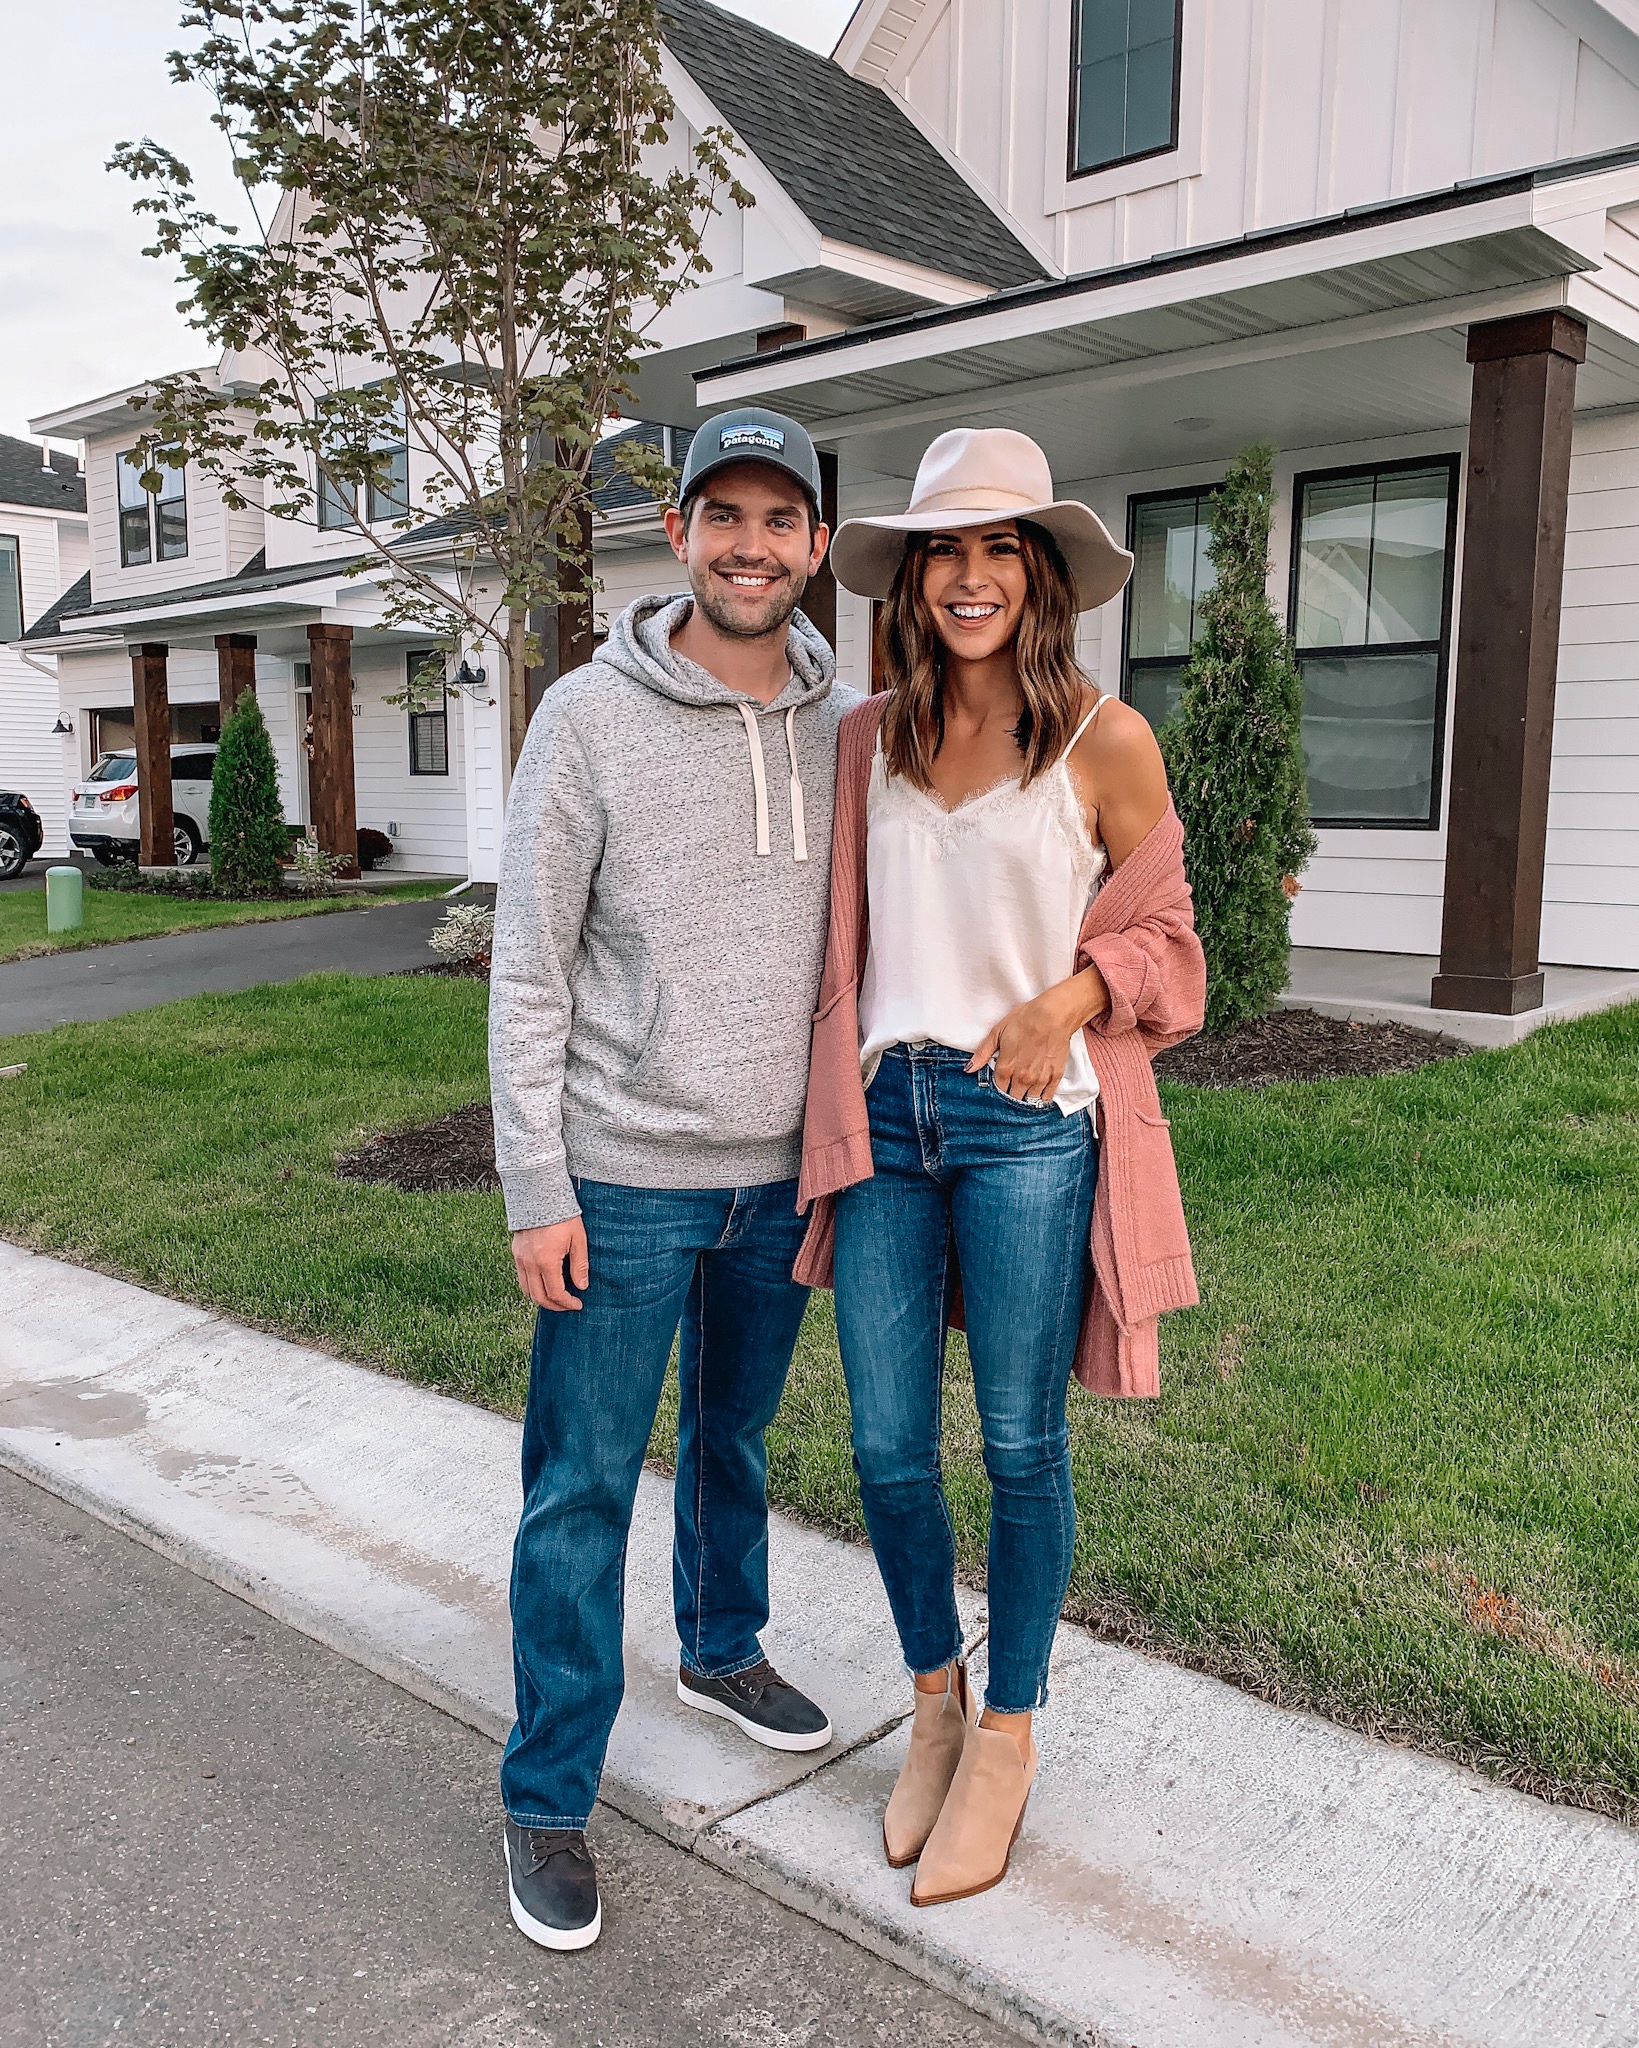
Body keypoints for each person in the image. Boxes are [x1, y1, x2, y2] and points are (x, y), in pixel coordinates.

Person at [796, 427, 1206, 1907]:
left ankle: (1013, 1733)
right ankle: (936, 1704)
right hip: (890, 1119)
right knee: (890, 1450)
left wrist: (1069, 998)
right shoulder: (871, 736)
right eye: (944, 553)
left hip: (1031, 1123)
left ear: (1040, 576)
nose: (970, 576)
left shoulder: (1108, 740)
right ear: (910, 583)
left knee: (1021, 1450)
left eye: (999, 550)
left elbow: (1175, 948)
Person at [488, 407, 858, 1951]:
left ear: (818, 548)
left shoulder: (857, 724)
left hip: (783, 1175)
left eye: (783, 520)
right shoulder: (587, 713)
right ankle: (550, 1790)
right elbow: (529, 963)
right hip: (624, 1174)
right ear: (678, 535)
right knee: (579, 1487)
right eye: (727, 515)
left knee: (737, 1435)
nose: (753, 546)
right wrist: (534, 1181)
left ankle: (721, 1646)